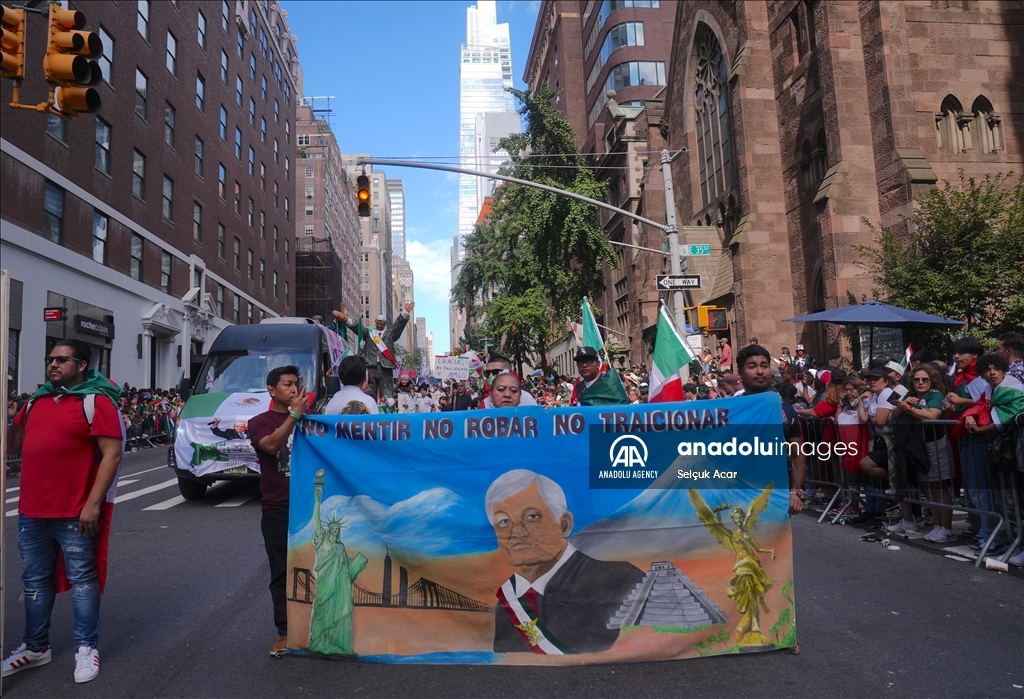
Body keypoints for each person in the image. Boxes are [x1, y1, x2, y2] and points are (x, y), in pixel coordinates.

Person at [2, 340, 124, 684]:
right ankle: (36, 647)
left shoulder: (95, 401)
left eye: (61, 359)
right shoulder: (36, 400)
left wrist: (93, 504)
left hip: (75, 512)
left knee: (83, 581)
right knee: (34, 582)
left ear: (82, 364)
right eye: (50, 359)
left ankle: (86, 647)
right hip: (31, 510)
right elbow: (13, 442)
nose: (53, 364)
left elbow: (111, 455)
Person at [486, 470, 643, 654]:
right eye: (503, 522)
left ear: (564, 524)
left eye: (532, 517)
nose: (517, 532)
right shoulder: (509, 600)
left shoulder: (623, 580)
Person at [248, 365, 307, 657]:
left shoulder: (309, 421)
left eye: (296, 384)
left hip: (307, 505)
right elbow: (271, 446)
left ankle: (314, 625)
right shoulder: (259, 421)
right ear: (272, 390)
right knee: (281, 572)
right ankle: (285, 632)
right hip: (277, 508)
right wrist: (294, 416)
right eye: (287, 384)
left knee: (316, 566)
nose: (294, 389)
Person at [735, 345, 806, 512]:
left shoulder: (786, 410)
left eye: (764, 366)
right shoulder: (730, 410)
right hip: (738, 497)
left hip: (777, 498)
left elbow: (798, 454)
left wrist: (795, 492)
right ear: (741, 373)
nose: (760, 371)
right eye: (752, 366)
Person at [891, 363, 955, 542]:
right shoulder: (910, 394)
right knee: (927, 486)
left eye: (924, 379)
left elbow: (933, 415)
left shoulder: (935, 394)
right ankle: (938, 525)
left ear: (932, 380)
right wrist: (903, 404)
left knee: (938, 486)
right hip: (917, 447)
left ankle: (947, 528)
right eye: (916, 379)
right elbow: (893, 414)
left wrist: (909, 409)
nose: (920, 383)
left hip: (935, 444)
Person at [945, 337, 992, 548]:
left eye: (962, 353)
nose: (956, 356)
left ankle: (989, 533)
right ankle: (976, 527)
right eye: (955, 352)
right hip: (964, 437)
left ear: (975, 355)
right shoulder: (960, 377)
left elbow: (988, 401)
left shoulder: (981, 376)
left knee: (978, 488)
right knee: (970, 488)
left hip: (979, 437)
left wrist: (961, 401)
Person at [333, 301, 414, 402]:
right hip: (370, 366)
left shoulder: (390, 334)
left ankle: (388, 414)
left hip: (386, 368)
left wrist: (405, 312)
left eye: (382, 323)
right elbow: (358, 327)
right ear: (375, 322)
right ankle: (368, 410)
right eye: (377, 323)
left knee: (388, 395)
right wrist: (345, 319)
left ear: (385, 324)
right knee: (368, 393)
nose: (379, 325)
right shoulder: (369, 333)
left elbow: (398, 326)